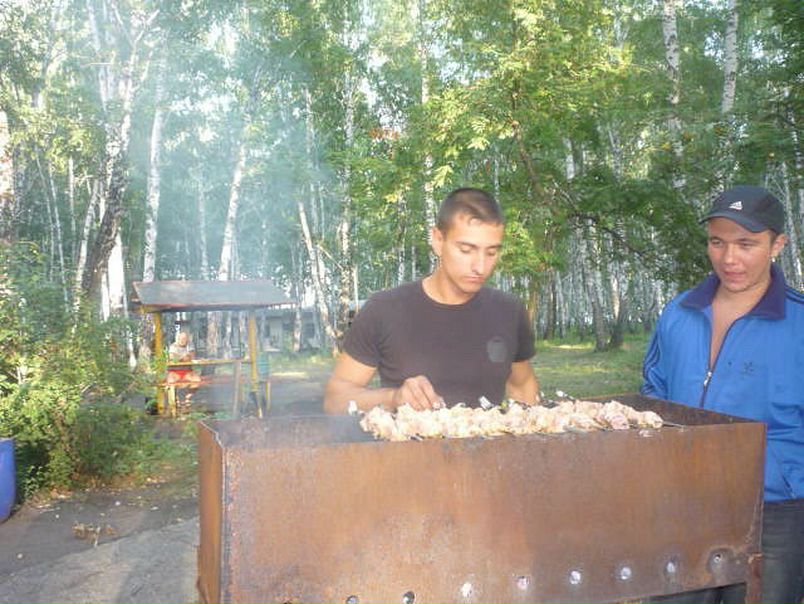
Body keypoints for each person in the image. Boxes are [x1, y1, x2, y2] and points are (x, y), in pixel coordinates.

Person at [641, 185, 804, 604]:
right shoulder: (679, 313)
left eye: (746, 244)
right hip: (683, 502)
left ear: (777, 245)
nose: (729, 258)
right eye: (718, 242)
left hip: (774, 513)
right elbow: (653, 395)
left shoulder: (799, 323)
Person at [324, 187, 539, 413]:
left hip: (488, 437)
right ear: (438, 240)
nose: (480, 266)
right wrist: (393, 398)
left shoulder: (509, 311)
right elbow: (335, 400)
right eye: (466, 250)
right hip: (409, 437)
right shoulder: (384, 310)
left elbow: (523, 387)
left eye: (491, 252)